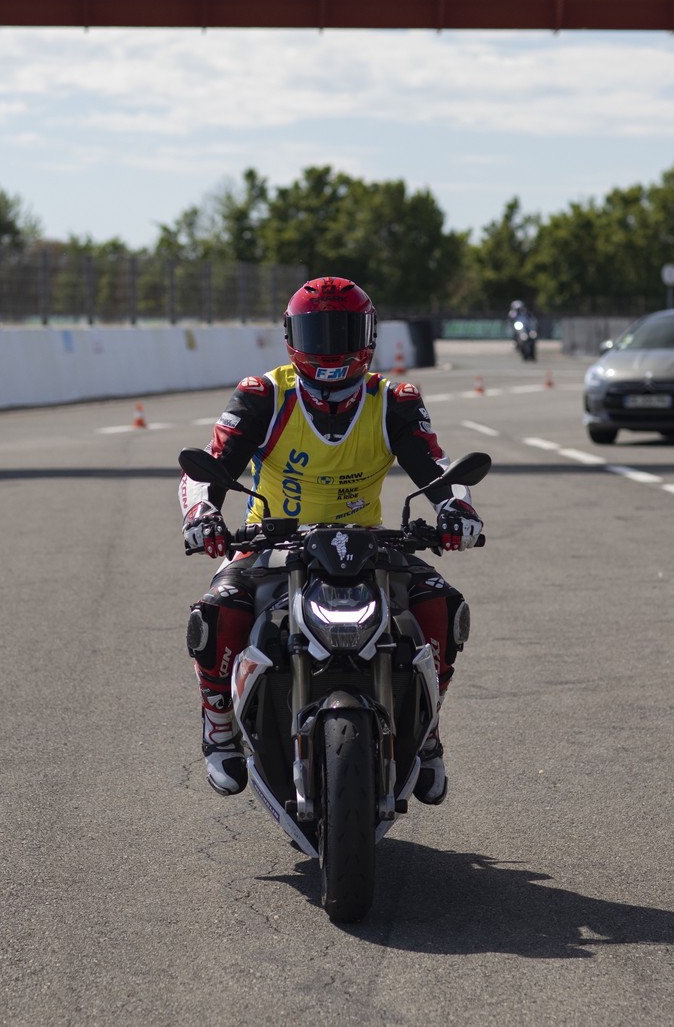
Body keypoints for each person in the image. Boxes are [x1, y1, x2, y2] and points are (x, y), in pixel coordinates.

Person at [178, 276, 483, 806]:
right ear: (291, 336)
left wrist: (456, 507)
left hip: (370, 545)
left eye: (342, 331)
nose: (330, 347)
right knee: (214, 613)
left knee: (442, 607)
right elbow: (208, 467)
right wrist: (202, 512)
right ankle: (218, 720)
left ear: (367, 336)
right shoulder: (262, 395)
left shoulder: (395, 400)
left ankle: (428, 729)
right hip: (269, 544)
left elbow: (434, 466)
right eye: (316, 333)